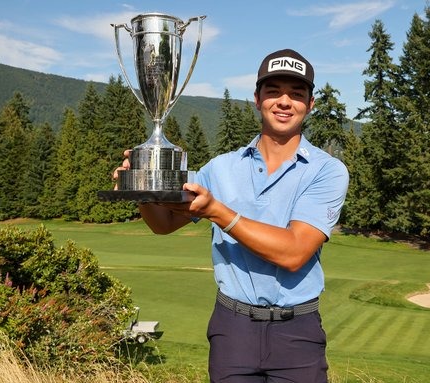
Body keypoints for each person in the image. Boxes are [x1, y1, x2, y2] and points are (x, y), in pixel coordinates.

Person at [115, 48, 349, 382]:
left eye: (297, 94)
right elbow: (163, 224)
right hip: (232, 328)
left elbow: (295, 252)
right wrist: (144, 188)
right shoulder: (220, 168)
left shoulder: (327, 171)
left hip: (297, 331)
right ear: (257, 99)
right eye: (273, 92)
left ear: (310, 105)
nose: (284, 102)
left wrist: (218, 212)